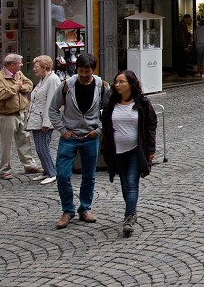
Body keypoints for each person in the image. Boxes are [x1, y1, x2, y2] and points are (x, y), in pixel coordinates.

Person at [50, 54, 110, 229]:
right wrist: (63, 130)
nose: (83, 74)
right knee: (62, 175)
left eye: (87, 71)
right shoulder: (66, 85)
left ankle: (85, 208)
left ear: (93, 71)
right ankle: (68, 210)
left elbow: (108, 111)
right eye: (81, 71)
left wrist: (98, 130)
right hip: (69, 137)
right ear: (77, 69)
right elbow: (53, 109)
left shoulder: (102, 86)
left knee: (89, 176)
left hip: (90, 137)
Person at [100, 70, 157, 237]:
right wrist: (105, 147)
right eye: (116, 82)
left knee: (132, 182)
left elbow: (151, 124)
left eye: (121, 82)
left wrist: (151, 148)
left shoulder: (142, 102)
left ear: (131, 84)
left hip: (136, 150)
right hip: (117, 151)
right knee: (125, 183)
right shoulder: (111, 103)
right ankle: (132, 210)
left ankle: (129, 217)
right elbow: (105, 126)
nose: (117, 85)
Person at [0, 54, 39, 180]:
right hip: (7, 115)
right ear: (12, 65)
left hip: (22, 112)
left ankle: (29, 166)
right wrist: (16, 87)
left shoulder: (18, 73)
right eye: (20, 63)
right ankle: (4, 170)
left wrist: (20, 87)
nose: (22, 65)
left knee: (25, 140)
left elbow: (29, 84)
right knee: (7, 144)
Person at [26, 55, 62, 185]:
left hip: (43, 120)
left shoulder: (52, 80)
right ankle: (47, 171)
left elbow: (52, 103)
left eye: (36, 67)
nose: (34, 69)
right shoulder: (44, 79)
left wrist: (47, 123)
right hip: (37, 119)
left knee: (42, 148)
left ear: (44, 67)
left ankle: (52, 172)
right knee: (41, 147)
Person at [174, 14, 193, 78]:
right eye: (190, 19)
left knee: (182, 59)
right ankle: (183, 74)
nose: (190, 21)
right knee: (182, 60)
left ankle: (182, 74)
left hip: (180, 45)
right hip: (181, 45)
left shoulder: (182, 25)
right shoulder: (182, 26)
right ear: (186, 19)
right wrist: (185, 46)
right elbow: (182, 37)